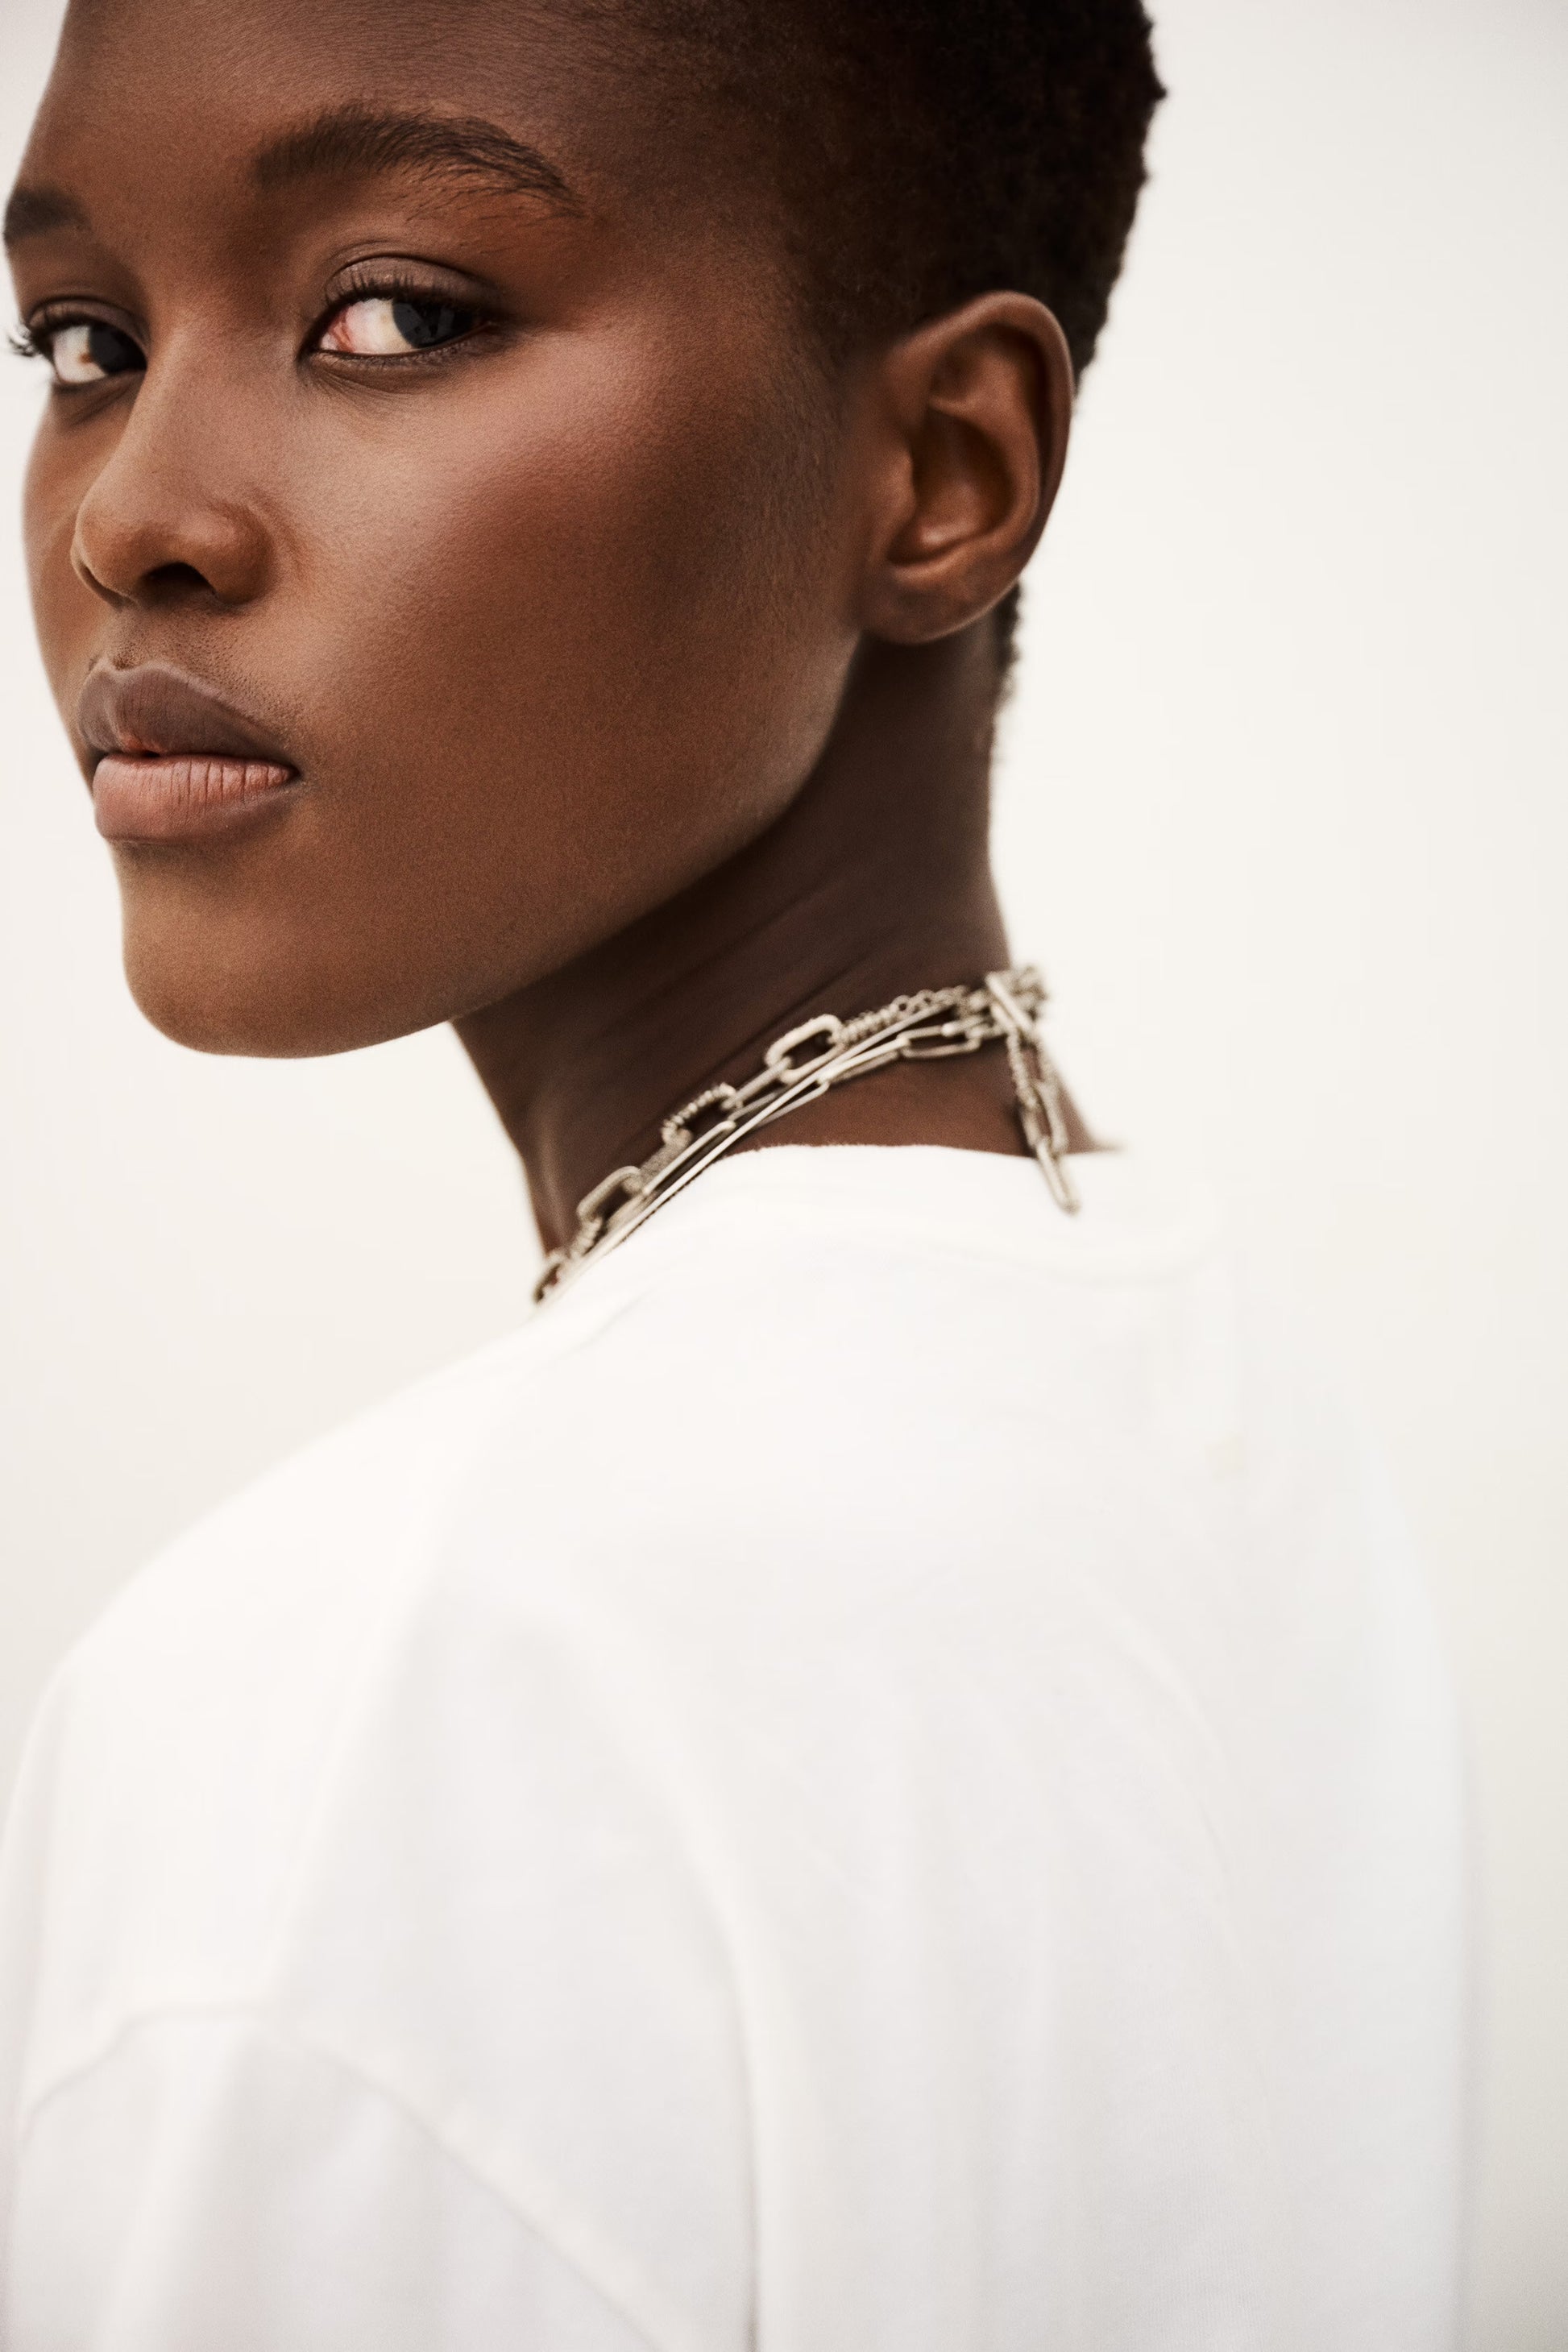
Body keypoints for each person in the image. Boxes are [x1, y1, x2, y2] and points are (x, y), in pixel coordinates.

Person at [0, 0, 1466, 2342]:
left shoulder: (379, 1711)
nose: (132, 518)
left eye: (398, 316)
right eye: (86, 340)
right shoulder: (1188, 1371)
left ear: (942, 472)